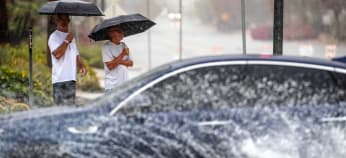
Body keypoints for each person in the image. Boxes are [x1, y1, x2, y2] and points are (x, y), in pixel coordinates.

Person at [48, 14, 87, 105]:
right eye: (60, 19)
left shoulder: (71, 37)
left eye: (65, 19)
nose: (63, 22)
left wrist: (81, 66)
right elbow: (57, 55)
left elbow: (76, 54)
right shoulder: (53, 37)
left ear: (69, 20)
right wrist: (66, 41)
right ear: (56, 21)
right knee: (59, 111)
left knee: (69, 110)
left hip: (71, 79)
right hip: (59, 80)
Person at [102, 26, 133, 92]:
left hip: (125, 84)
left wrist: (116, 60)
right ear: (112, 35)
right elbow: (110, 66)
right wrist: (122, 54)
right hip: (112, 86)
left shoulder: (124, 45)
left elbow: (131, 63)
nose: (122, 33)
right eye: (119, 31)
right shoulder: (106, 47)